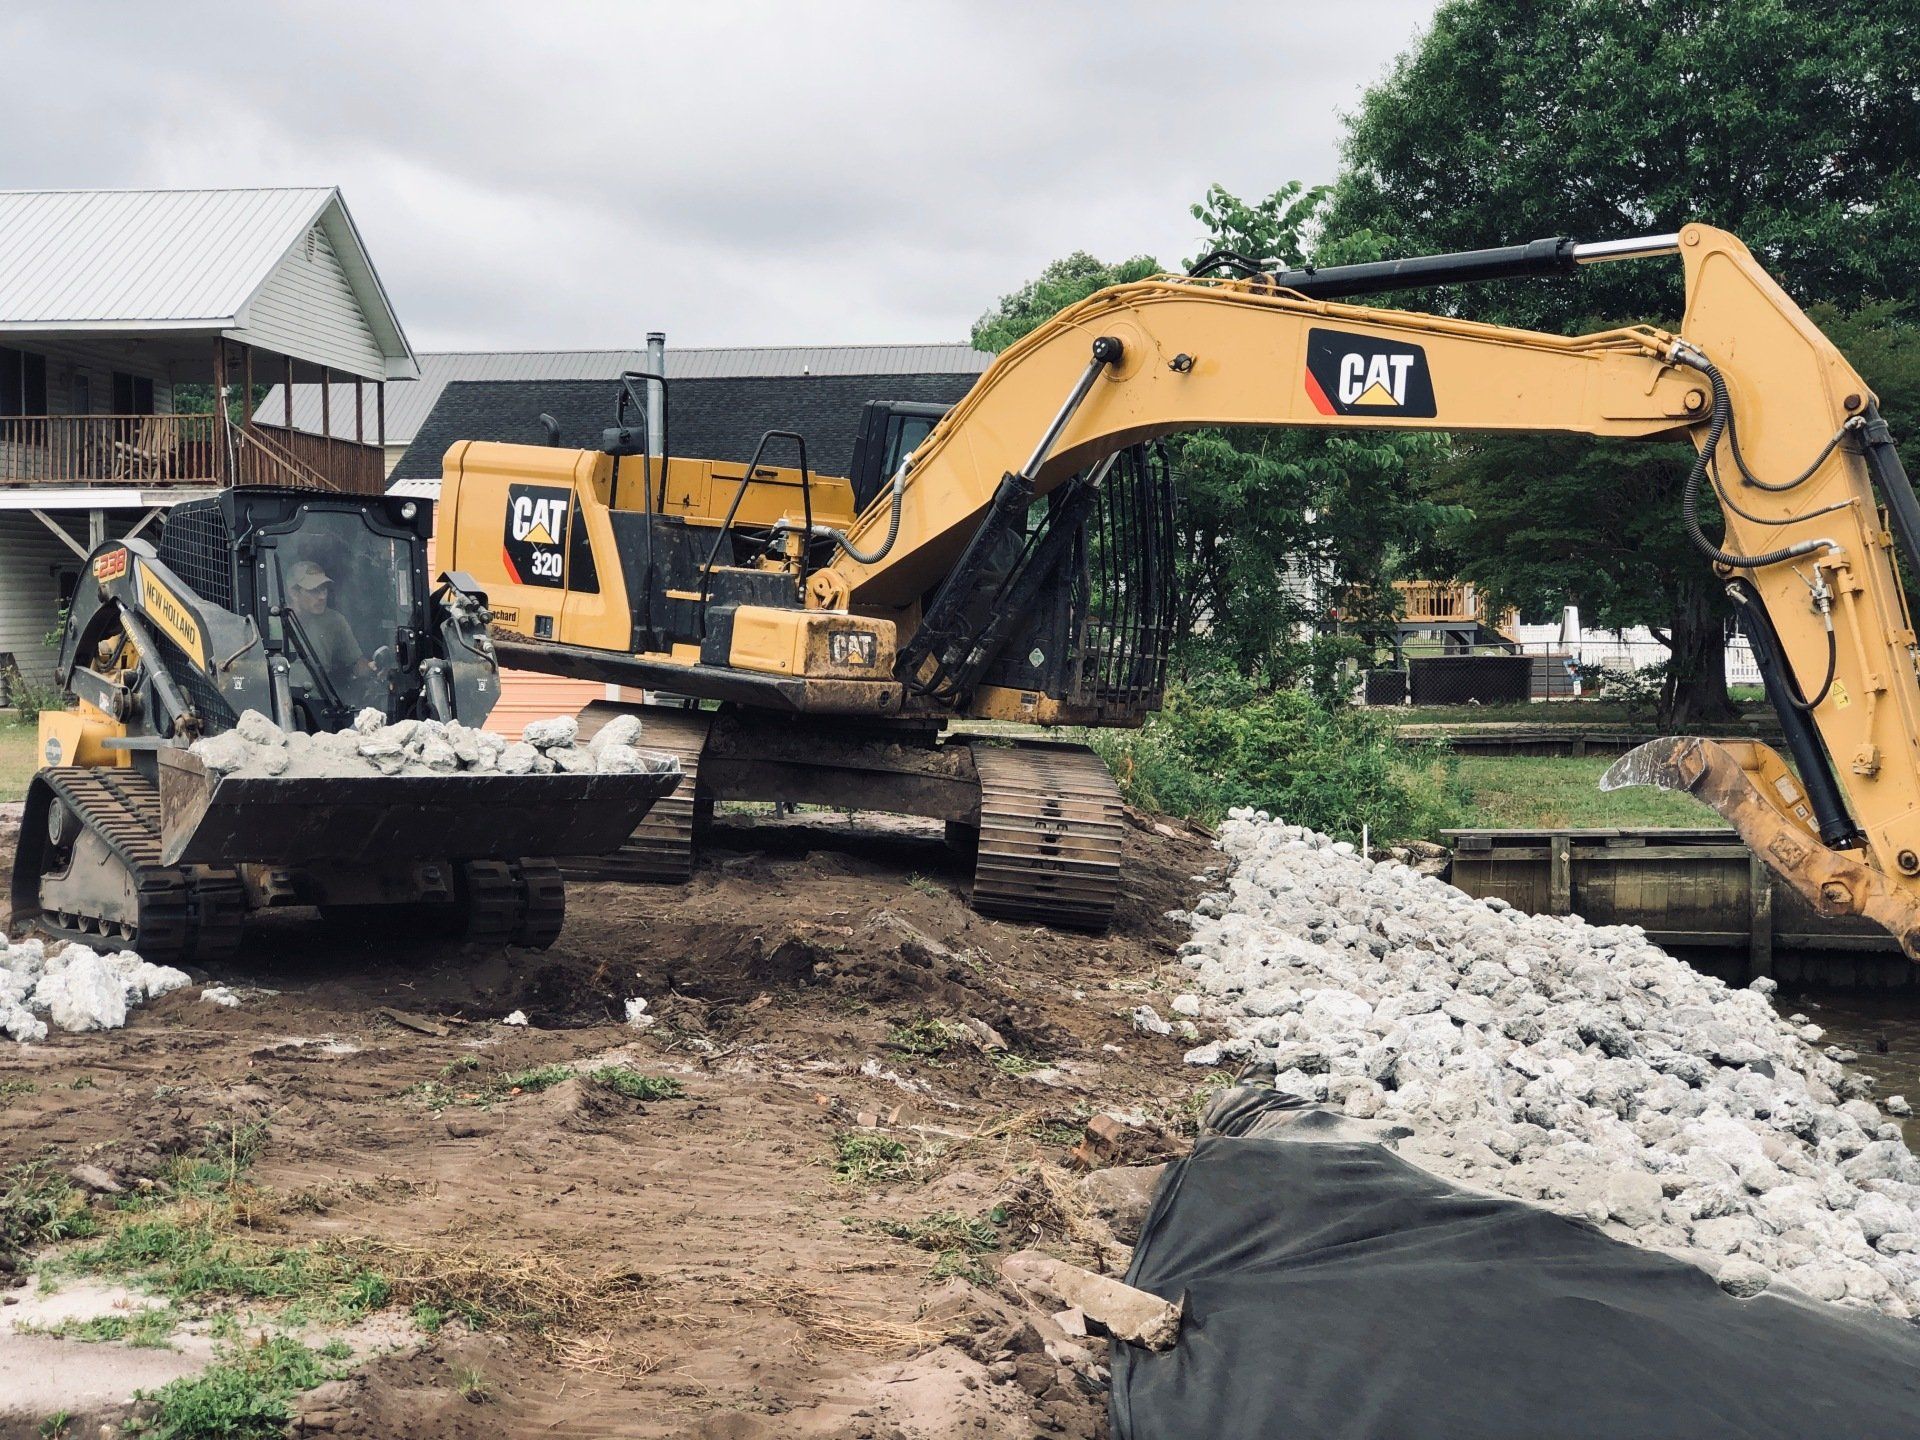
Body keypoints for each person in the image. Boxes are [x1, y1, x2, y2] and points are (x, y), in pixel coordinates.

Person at [285, 560, 374, 691]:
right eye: (314, 590)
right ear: (294, 593)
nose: (322, 597)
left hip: (321, 703)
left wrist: (372, 668)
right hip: (280, 702)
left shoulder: (335, 621)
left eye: (324, 589)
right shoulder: (272, 623)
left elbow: (356, 663)